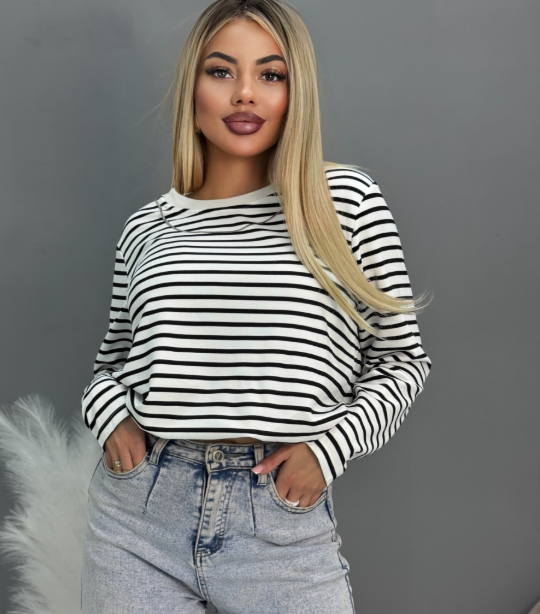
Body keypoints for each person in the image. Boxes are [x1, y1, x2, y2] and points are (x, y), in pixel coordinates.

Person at [80, 1, 432, 612]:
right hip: (137, 519)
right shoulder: (148, 228)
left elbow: (403, 362)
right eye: (221, 71)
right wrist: (109, 415)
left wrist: (328, 450)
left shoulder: (344, 203)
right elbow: (112, 362)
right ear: (193, 88)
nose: (245, 93)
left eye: (271, 74)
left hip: (279, 522)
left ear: (296, 93)